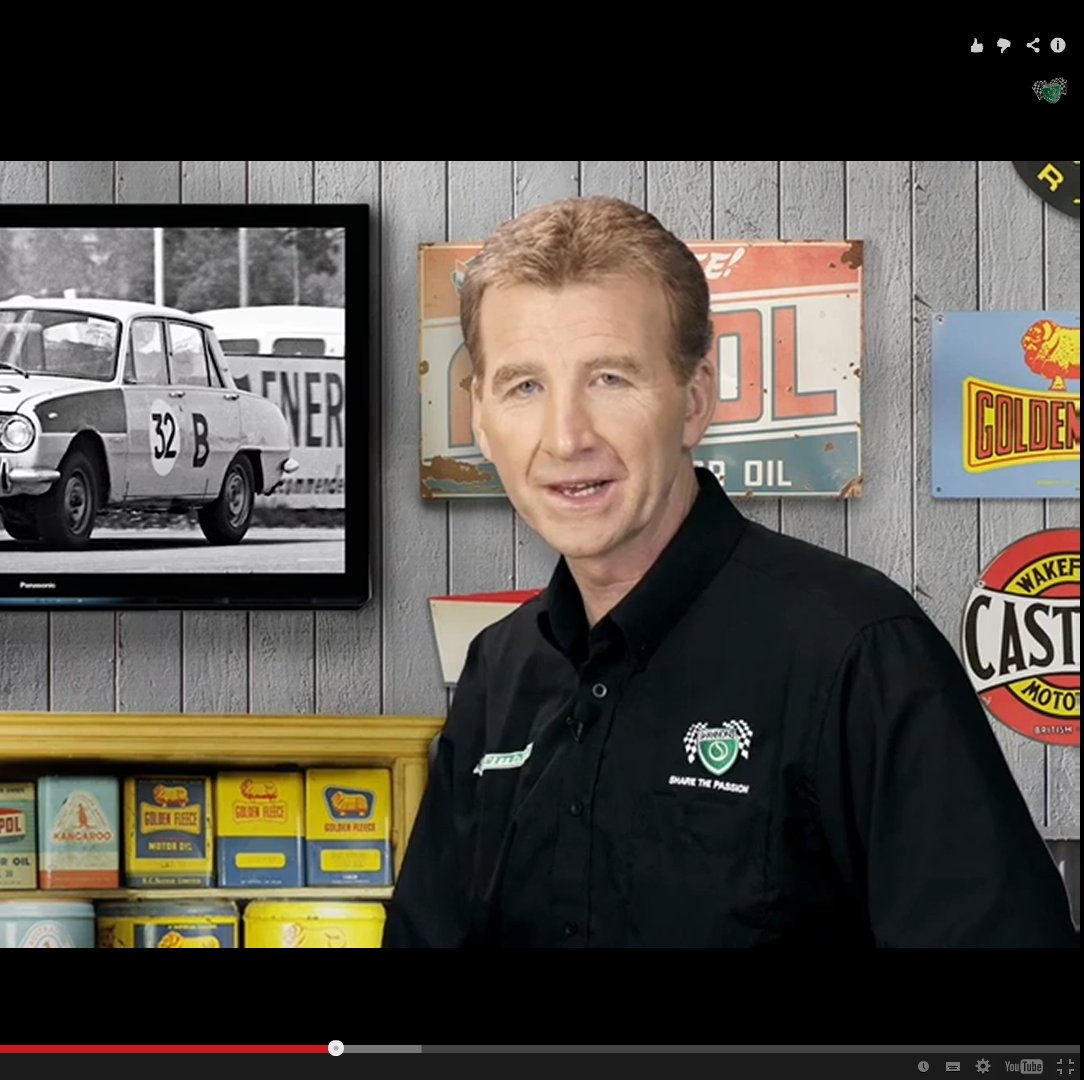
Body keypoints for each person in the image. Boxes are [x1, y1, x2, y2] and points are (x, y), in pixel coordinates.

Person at [383, 196, 1077, 948]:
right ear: (480, 417)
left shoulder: (859, 651)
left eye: (610, 379)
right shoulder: (501, 667)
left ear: (694, 400)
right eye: (525, 386)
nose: (566, 437)